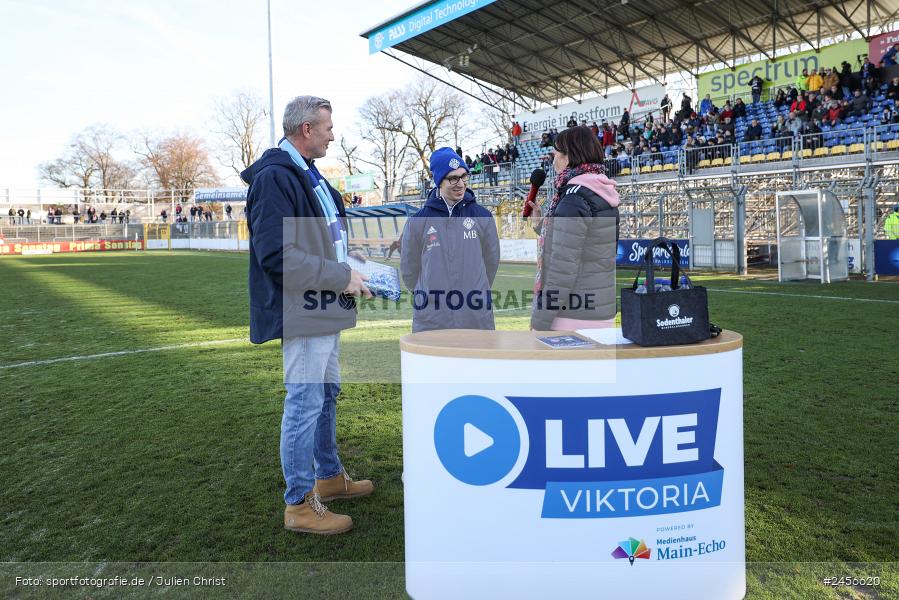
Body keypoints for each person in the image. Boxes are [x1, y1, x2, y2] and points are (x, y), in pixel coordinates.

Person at [241, 95, 374, 536]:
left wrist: (354, 262)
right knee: (304, 400)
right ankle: (298, 504)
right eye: (328, 127)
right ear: (305, 131)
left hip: (324, 305)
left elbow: (324, 237)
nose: (333, 134)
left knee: (327, 393)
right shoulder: (276, 177)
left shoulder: (308, 174)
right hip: (302, 308)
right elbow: (276, 254)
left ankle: (329, 477)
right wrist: (340, 275)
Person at [526, 126, 620, 331]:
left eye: (556, 155)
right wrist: (542, 225)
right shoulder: (602, 191)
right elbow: (590, 248)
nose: (553, 161)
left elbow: (562, 271)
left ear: (570, 157)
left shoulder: (573, 199)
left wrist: (539, 321)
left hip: (573, 315)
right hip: (601, 310)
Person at [400, 147, 499, 332]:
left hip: (475, 316)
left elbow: (491, 264)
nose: (460, 183)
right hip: (432, 318)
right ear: (438, 181)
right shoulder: (417, 221)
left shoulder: (482, 216)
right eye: (453, 178)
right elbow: (409, 269)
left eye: (463, 177)